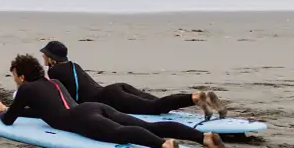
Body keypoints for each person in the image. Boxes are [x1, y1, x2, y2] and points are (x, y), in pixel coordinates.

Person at [0, 53, 231, 148]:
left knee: (120, 133)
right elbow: (48, 111)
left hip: (80, 120)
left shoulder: (26, 90)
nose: (14, 80)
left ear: (21, 75)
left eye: (14, 75)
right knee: (147, 125)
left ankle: (164, 146)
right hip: (93, 108)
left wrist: (0, 111)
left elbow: (10, 120)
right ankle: (205, 138)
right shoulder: (51, 83)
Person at [39, 40, 226, 119]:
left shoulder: (55, 73)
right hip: (116, 88)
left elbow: (63, 98)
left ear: (50, 57)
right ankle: (201, 98)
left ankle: (196, 97)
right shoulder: (73, 65)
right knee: (156, 102)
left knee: (154, 108)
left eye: (44, 55)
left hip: (110, 99)